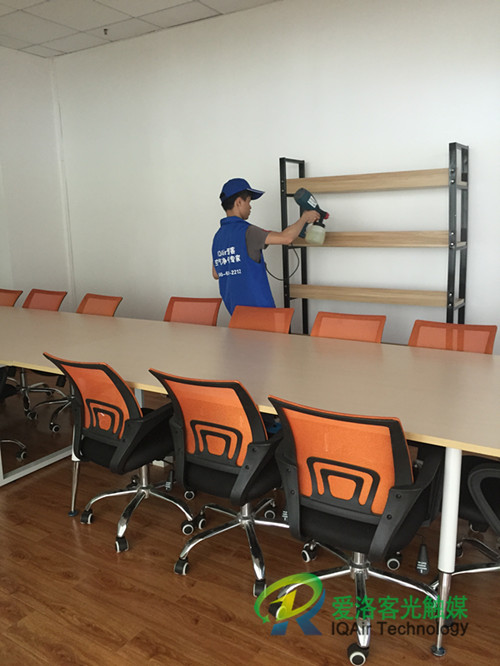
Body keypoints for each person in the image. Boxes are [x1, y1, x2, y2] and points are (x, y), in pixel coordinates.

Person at [212, 177, 319, 315]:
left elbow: (216, 273)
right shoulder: (248, 231)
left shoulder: (218, 236)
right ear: (238, 202)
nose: (250, 207)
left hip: (236, 314)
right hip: (261, 314)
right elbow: (286, 238)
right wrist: (304, 217)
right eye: (249, 202)